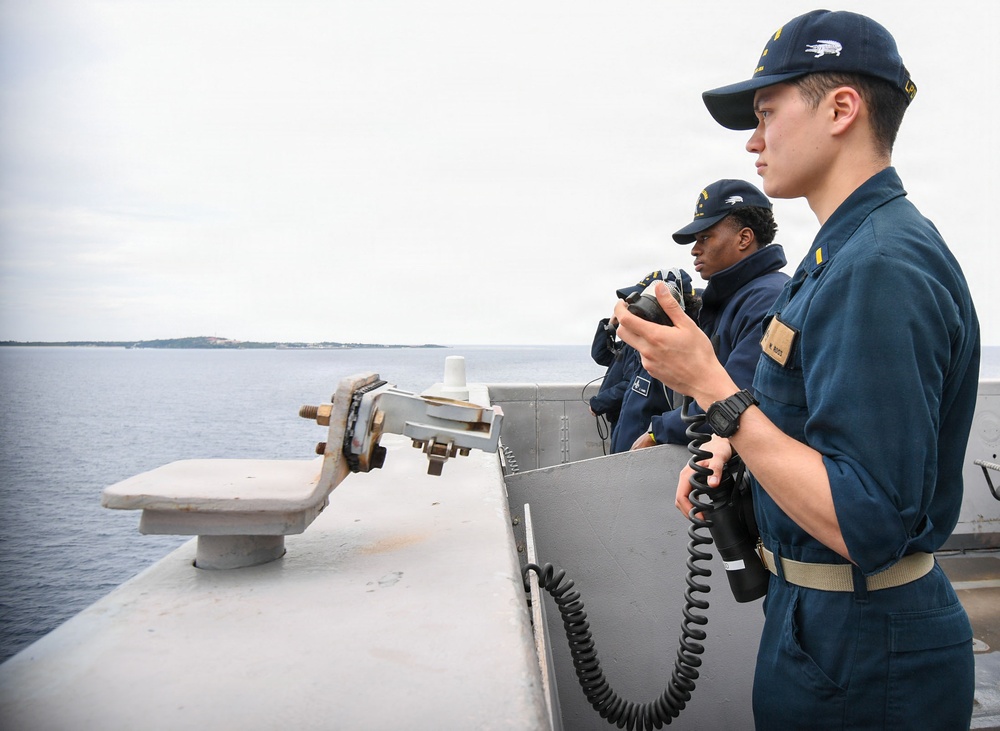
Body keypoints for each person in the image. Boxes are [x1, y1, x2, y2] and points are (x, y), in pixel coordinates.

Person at [614, 10, 980, 730]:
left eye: (766, 112)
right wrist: (731, 442)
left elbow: (867, 519)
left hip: (865, 650)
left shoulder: (879, 267)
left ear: (842, 108)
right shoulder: (840, 255)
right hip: (820, 623)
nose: (752, 141)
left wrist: (714, 390)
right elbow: (814, 416)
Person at [630, 179, 789, 450]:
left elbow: (738, 403)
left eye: (705, 237)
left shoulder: (767, 298)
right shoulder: (732, 299)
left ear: (744, 238)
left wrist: (659, 430)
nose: (694, 249)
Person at [588, 315, 627, 433]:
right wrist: (611, 325)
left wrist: (600, 403)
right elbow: (601, 354)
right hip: (618, 416)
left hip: (627, 417)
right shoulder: (627, 346)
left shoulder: (642, 349)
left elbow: (631, 384)